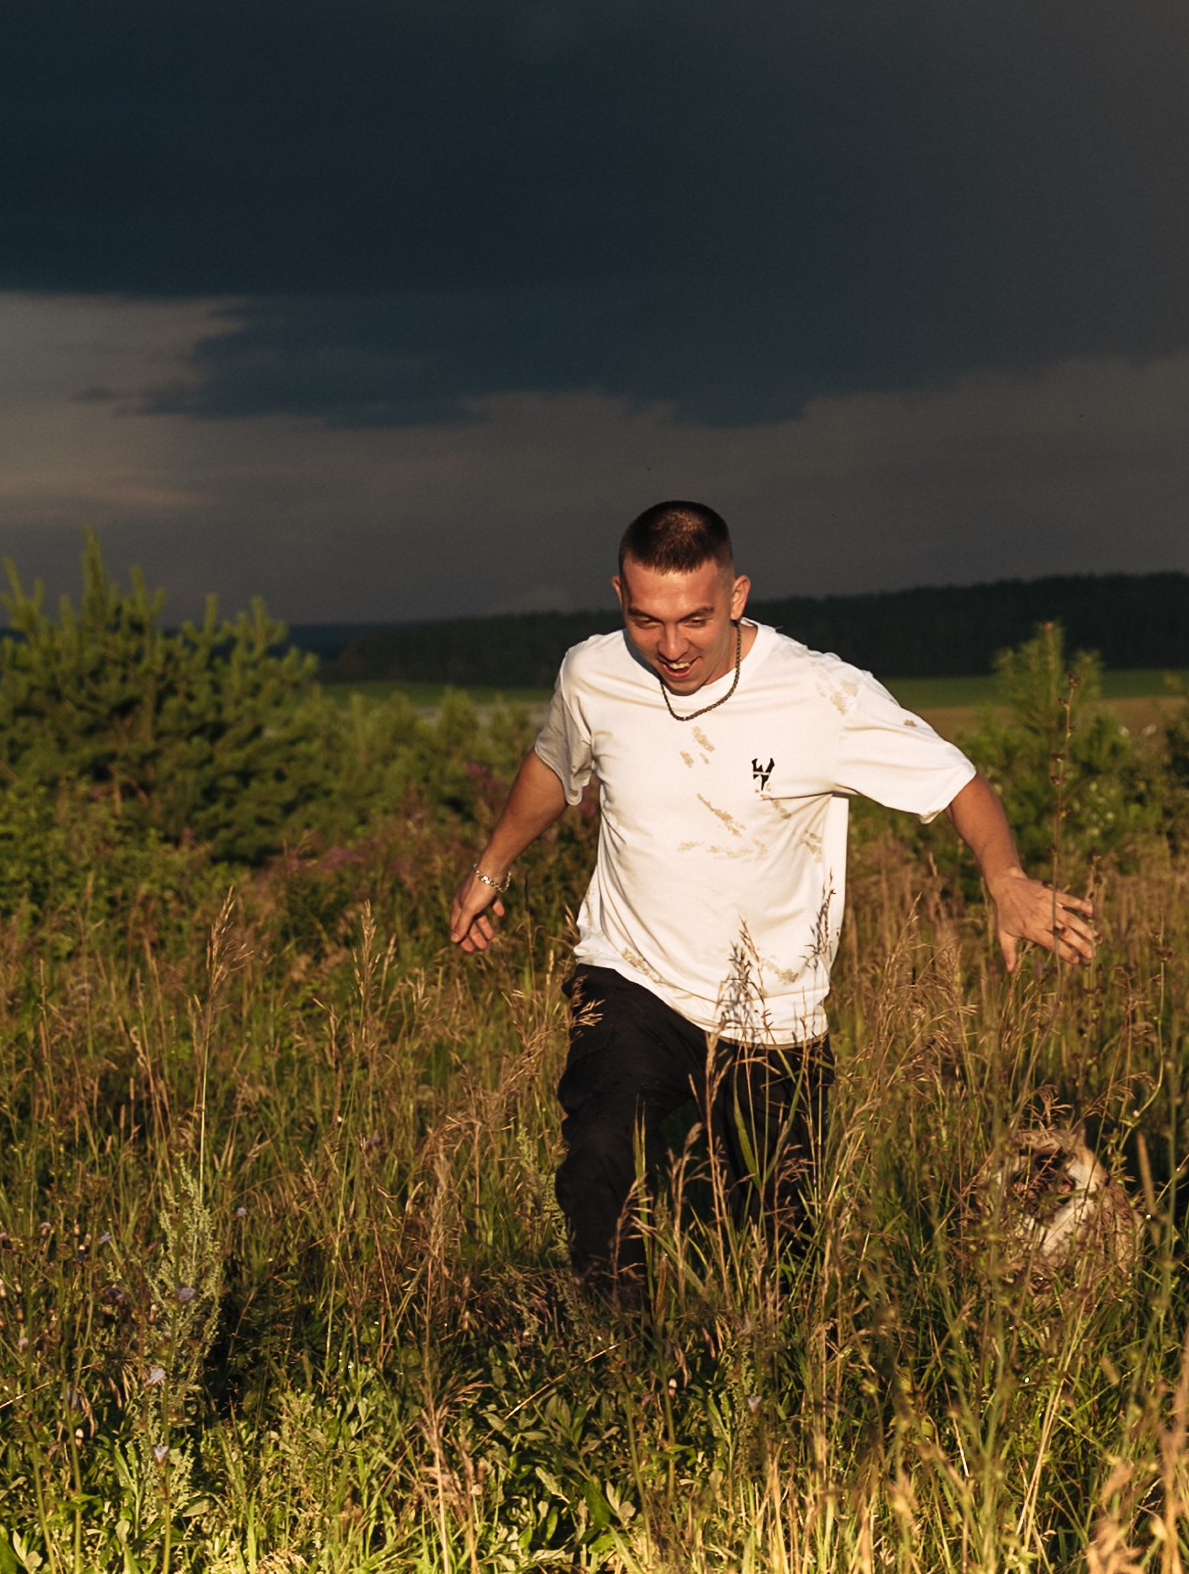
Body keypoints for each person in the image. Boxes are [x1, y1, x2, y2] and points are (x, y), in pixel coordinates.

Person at [451, 500, 1094, 1301]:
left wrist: (1005, 879)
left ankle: (738, 1372)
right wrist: (490, 871)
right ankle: (619, 1362)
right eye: (646, 620)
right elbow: (554, 767)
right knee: (599, 1169)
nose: (672, 647)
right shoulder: (594, 673)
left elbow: (957, 781)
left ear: (738, 595)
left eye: (695, 620)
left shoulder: (822, 696)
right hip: (631, 979)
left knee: (770, 1253)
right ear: (620, 595)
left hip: (773, 1019)